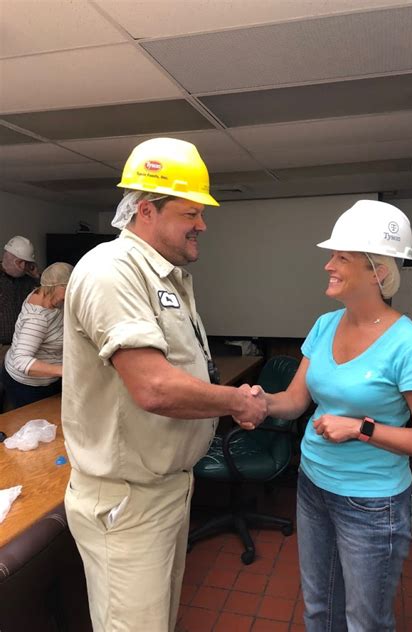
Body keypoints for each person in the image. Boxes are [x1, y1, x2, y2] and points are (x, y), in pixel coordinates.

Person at [61, 137, 267, 632]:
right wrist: (238, 400)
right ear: (147, 211)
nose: (202, 224)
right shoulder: (112, 271)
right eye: (191, 213)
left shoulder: (167, 277)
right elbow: (154, 387)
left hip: (168, 488)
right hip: (128, 499)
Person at [251, 200, 412, 632]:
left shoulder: (410, 346)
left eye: (342, 257)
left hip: (373, 504)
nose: (328, 265)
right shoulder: (324, 325)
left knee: (365, 622)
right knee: (319, 610)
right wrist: (259, 402)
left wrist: (361, 428)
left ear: (377, 271)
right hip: (313, 486)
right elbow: (294, 400)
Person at [2, 262, 73, 409]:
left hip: (48, 380)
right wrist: (65, 370)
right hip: (28, 386)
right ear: (56, 287)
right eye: (68, 288)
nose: (71, 292)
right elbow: (21, 360)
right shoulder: (37, 318)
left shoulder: (45, 294)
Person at [0, 235, 40, 366]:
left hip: (24, 347)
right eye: (19, 262)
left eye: (26, 263)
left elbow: (46, 299)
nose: (23, 267)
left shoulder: (29, 281)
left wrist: (36, 276)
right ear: (7, 258)